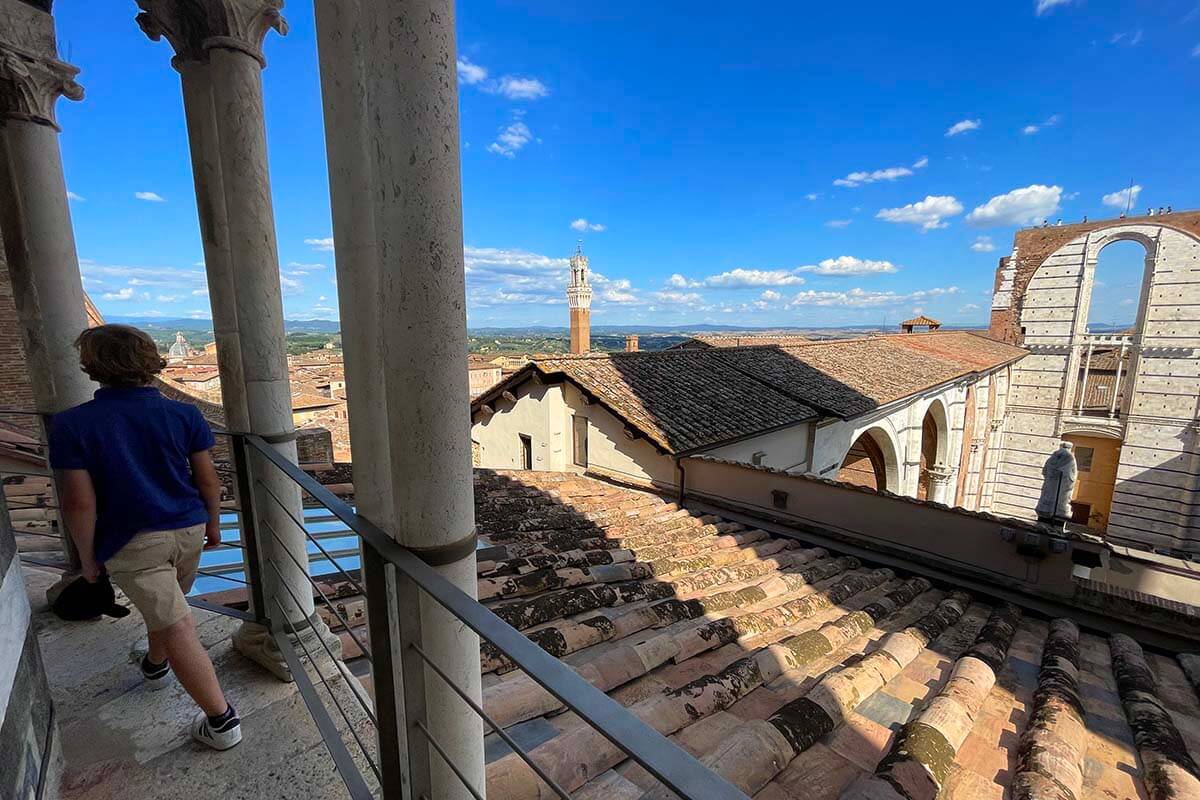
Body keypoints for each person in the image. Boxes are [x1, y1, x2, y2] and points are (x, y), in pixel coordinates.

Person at [48, 325, 242, 751]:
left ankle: (222, 722)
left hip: (133, 540)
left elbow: (78, 503)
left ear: (92, 366)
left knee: (176, 624)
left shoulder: (72, 425)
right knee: (171, 609)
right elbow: (208, 480)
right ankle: (155, 666)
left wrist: (87, 557)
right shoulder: (184, 414)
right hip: (189, 529)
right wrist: (213, 525)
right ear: (149, 361)